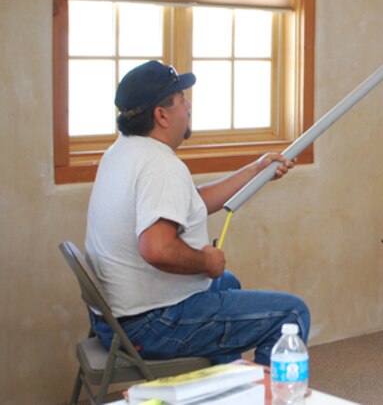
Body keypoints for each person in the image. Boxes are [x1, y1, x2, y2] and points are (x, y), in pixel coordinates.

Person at [85, 60, 310, 365]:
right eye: (180, 99)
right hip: (148, 326)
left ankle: (223, 389)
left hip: (113, 319)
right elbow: (156, 247)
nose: (188, 105)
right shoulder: (160, 167)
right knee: (293, 313)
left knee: (228, 283)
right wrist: (207, 261)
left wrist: (257, 170)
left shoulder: (122, 152)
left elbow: (193, 202)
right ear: (161, 115)